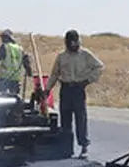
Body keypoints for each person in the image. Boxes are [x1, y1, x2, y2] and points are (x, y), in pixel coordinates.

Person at [42, 29, 105, 159]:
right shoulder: (61, 57)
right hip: (65, 90)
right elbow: (55, 74)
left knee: (80, 118)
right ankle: (66, 148)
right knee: (65, 119)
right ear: (66, 43)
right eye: (71, 42)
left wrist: (88, 80)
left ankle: (83, 146)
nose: (74, 45)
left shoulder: (85, 54)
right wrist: (47, 89)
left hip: (78, 90)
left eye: (76, 42)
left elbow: (99, 67)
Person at [0, 29, 32, 95]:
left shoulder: (5, 46)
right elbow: (26, 62)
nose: (2, 40)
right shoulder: (20, 48)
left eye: (3, 38)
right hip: (15, 79)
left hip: (4, 78)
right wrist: (29, 72)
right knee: (15, 98)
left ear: (7, 38)